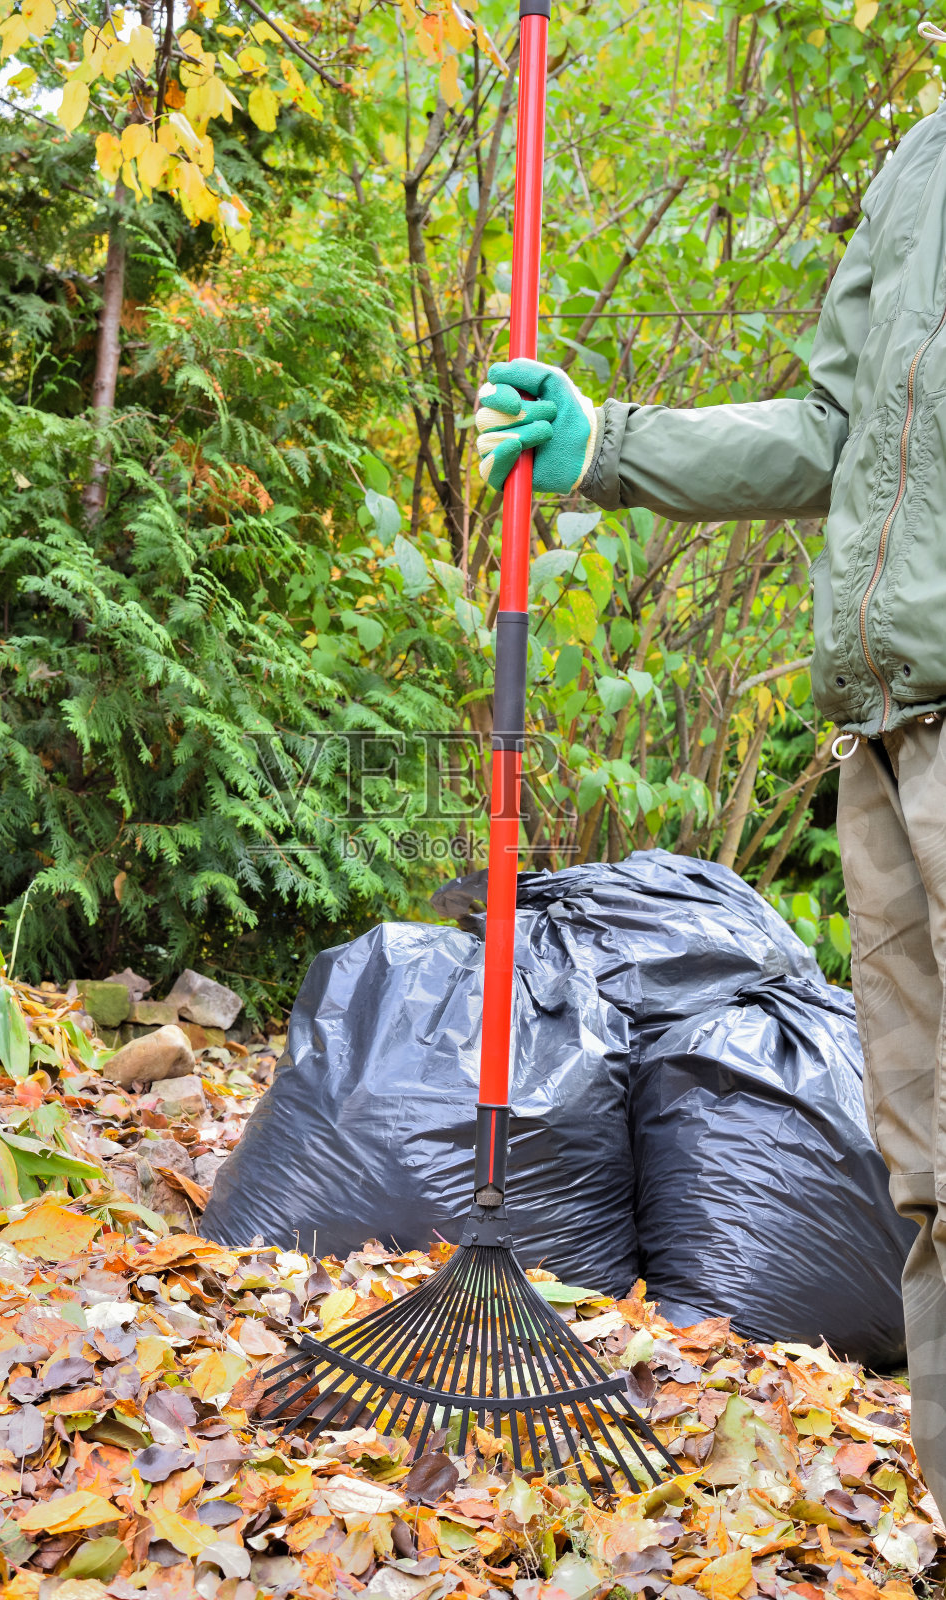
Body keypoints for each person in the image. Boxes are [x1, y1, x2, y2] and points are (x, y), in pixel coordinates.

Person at [475, 101, 946, 1514]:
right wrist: (604, 447)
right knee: (928, 1182)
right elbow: (833, 433)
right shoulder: (920, 155)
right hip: (890, 730)